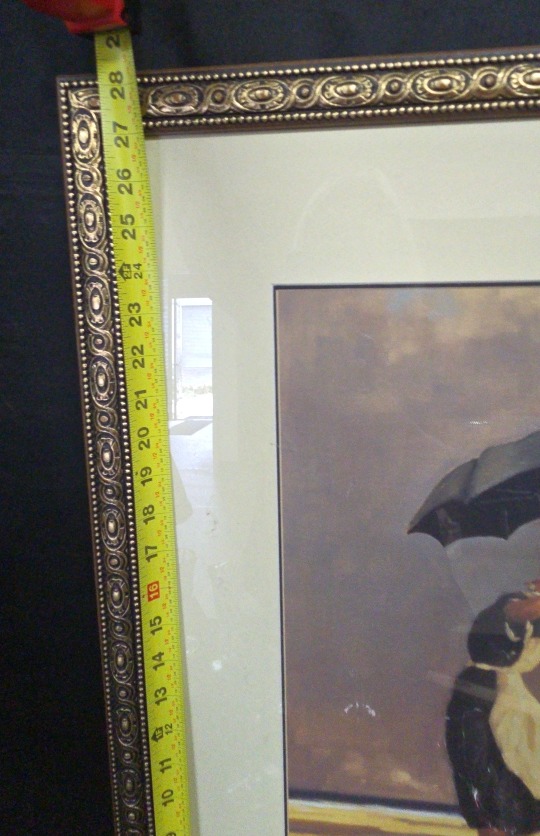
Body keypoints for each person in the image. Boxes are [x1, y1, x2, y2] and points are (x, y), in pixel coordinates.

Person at [446, 580, 540, 835]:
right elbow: (519, 612)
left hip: (506, 704)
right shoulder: (510, 606)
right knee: (487, 785)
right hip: (480, 703)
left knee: (514, 797)